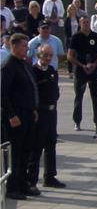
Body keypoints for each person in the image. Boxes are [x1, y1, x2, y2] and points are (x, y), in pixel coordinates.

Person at [1, 34, 40, 200]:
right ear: (14, 46)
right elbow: (3, 94)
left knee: (26, 150)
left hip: (27, 113)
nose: (27, 49)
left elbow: (30, 88)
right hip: (15, 115)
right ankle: (12, 187)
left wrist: (33, 109)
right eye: (24, 46)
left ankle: (23, 184)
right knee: (15, 152)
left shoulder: (23, 64)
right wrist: (11, 114)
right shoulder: (8, 66)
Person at [28, 43, 66, 189]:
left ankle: (50, 176)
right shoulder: (33, 71)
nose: (48, 58)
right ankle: (31, 179)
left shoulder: (51, 70)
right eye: (45, 55)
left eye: (50, 55)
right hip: (40, 112)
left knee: (51, 144)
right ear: (39, 55)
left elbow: (55, 89)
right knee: (37, 146)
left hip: (52, 112)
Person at [67, 16, 97, 134]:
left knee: (96, 97)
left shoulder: (95, 37)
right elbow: (70, 56)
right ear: (80, 24)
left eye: (87, 22)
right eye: (83, 23)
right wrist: (81, 65)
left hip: (93, 70)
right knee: (78, 97)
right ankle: (77, 121)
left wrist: (94, 64)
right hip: (80, 70)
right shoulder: (76, 37)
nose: (86, 24)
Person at [64, 4, 80, 76]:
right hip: (70, 39)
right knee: (70, 55)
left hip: (77, 39)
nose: (72, 10)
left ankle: (76, 69)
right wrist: (69, 37)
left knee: (77, 54)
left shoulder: (78, 18)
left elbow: (80, 28)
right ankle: (70, 70)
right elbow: (65, 30)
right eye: (70, 9)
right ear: (68, 10)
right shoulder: (67, 19)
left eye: (73, 9)